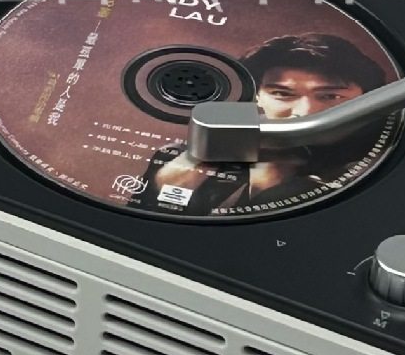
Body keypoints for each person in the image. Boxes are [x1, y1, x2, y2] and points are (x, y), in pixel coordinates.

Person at [140, 33, 389, 217]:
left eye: (330, 96)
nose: (304, 111)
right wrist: (162, 187)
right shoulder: (179, 156)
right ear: (257, 95)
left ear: (365, 96)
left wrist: (270, 191)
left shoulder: (381, 167)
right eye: (282, 94)